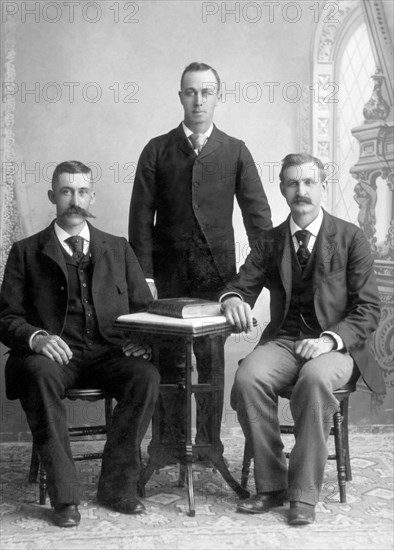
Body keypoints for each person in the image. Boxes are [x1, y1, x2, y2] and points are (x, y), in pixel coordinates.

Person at [219, 153, 385, 525]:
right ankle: (272, 484)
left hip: (338, 347)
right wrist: (232, 299)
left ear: (322, 187)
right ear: (282, 189)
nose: (301, 191)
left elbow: (369, 310)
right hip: (285, 340)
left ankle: (303, 494)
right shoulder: (271, 240)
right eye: (293, 183)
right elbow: (241, 285)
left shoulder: (350, 237)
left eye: (309, 182)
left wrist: (328, 340)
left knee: (313, 379)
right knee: (248, 379)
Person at [0, 161, 160, 528]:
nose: (75, 200)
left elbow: (143, 308)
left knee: (146, 376)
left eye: (82, 191)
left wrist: (140, 340)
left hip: (108, 351)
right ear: (52, 197)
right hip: (55, 357)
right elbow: (6, 317)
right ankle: (65, 496)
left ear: (92, 196)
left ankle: (117, 486)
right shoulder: (25, 251)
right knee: (38, 374)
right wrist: (36, 338)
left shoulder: (117, 248)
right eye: (67, 192)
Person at [128, 62, 272, 445]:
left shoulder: (236, 151)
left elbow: (260, 225)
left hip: (218, 281)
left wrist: (246, 287)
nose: (198, 100)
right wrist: (146, 280)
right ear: (180, 97)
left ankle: (209, 446)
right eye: (191, 92)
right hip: (168, 280)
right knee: (170, 365)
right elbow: (140, 221)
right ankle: (170, 445)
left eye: (206, 92)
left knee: (211, 366)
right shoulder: (157, 150)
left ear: (217, 97)